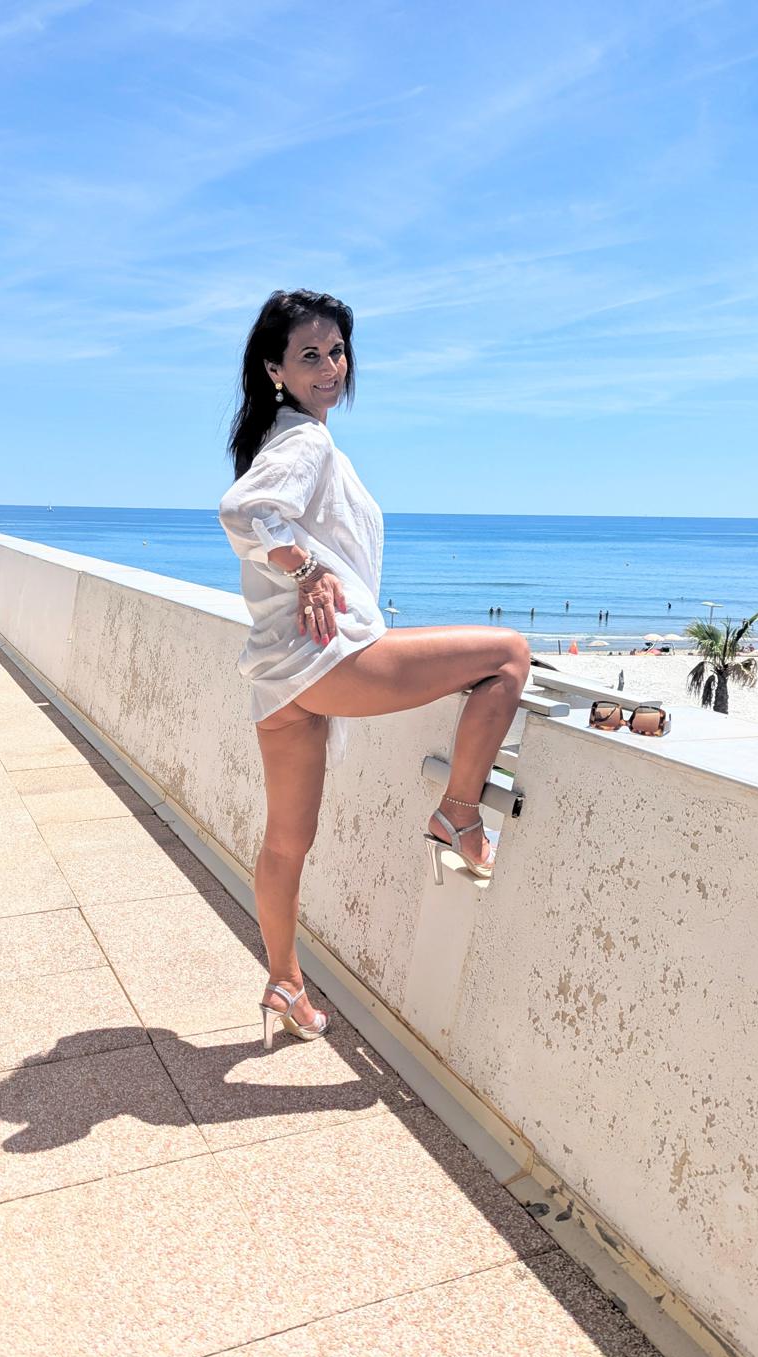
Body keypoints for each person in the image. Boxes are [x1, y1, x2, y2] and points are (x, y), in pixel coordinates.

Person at [219, 289, 530, 1046]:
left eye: (337, 351)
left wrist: (302, 569)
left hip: (278, 678)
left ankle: (285, 981)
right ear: (274, 369)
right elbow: (242, 512)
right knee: (507, 654)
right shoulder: (306, 443)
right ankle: (458, 813)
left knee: (286, 842)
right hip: (328, 657)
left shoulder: (283, 437)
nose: (330, 367)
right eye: (310, 355)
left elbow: (259, 516)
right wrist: (307, 573)